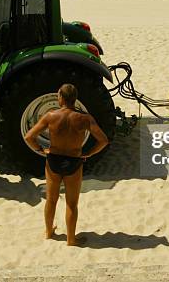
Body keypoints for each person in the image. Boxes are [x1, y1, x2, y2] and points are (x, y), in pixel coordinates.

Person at [25, 83, 109, 246]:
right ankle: (71, 239)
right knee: (72, 203)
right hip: (74, 162)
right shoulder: (84, 118)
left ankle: (49, 232)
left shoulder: (50, 116)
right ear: (75, 99)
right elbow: (103, 140)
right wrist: (89, 153)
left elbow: (29, 136)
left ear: (61, 98)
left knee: (51, 200)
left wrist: (41, 149)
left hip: (54, 160)